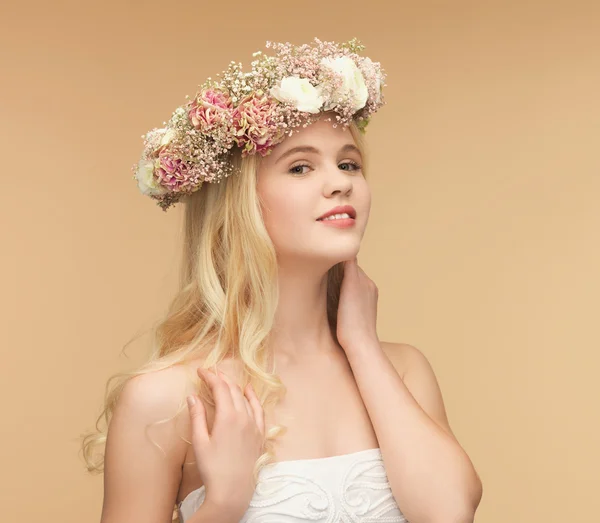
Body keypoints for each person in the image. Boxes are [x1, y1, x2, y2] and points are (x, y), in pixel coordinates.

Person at [81, 38, 482, 523]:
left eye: (349, 162)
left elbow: (451, 513)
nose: (340, 182)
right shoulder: (170, 398)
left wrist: (361, 345)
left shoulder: (401, 370)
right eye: (300, 166)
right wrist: (223, 504)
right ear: (238, 202)